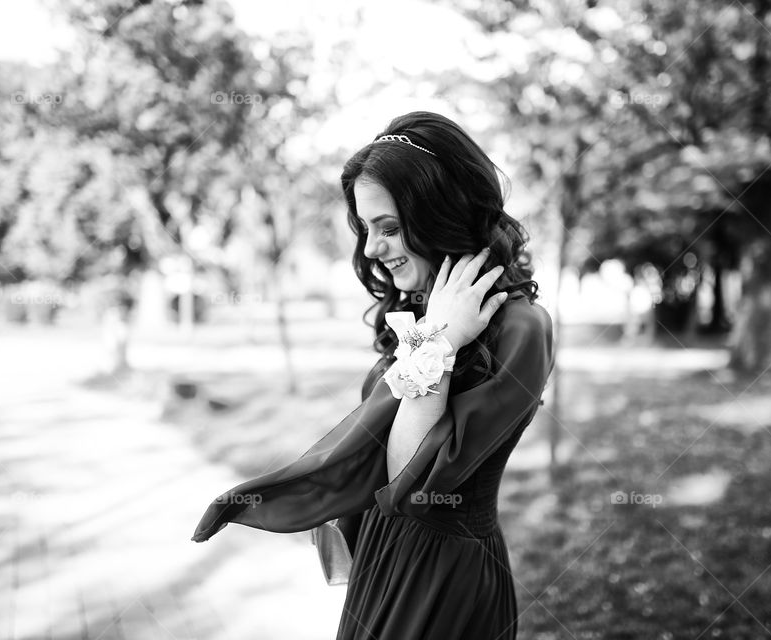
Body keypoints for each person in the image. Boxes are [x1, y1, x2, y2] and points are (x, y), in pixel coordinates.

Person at [191, 111, 556, 639]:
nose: (370, 250)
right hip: (385, 554)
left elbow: (409, 474)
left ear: (441, 213)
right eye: (365, 229)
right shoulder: (425, 308)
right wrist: (433, 332)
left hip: (443, 573)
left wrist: (438, 342)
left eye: (388, 228)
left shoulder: (521, 328)